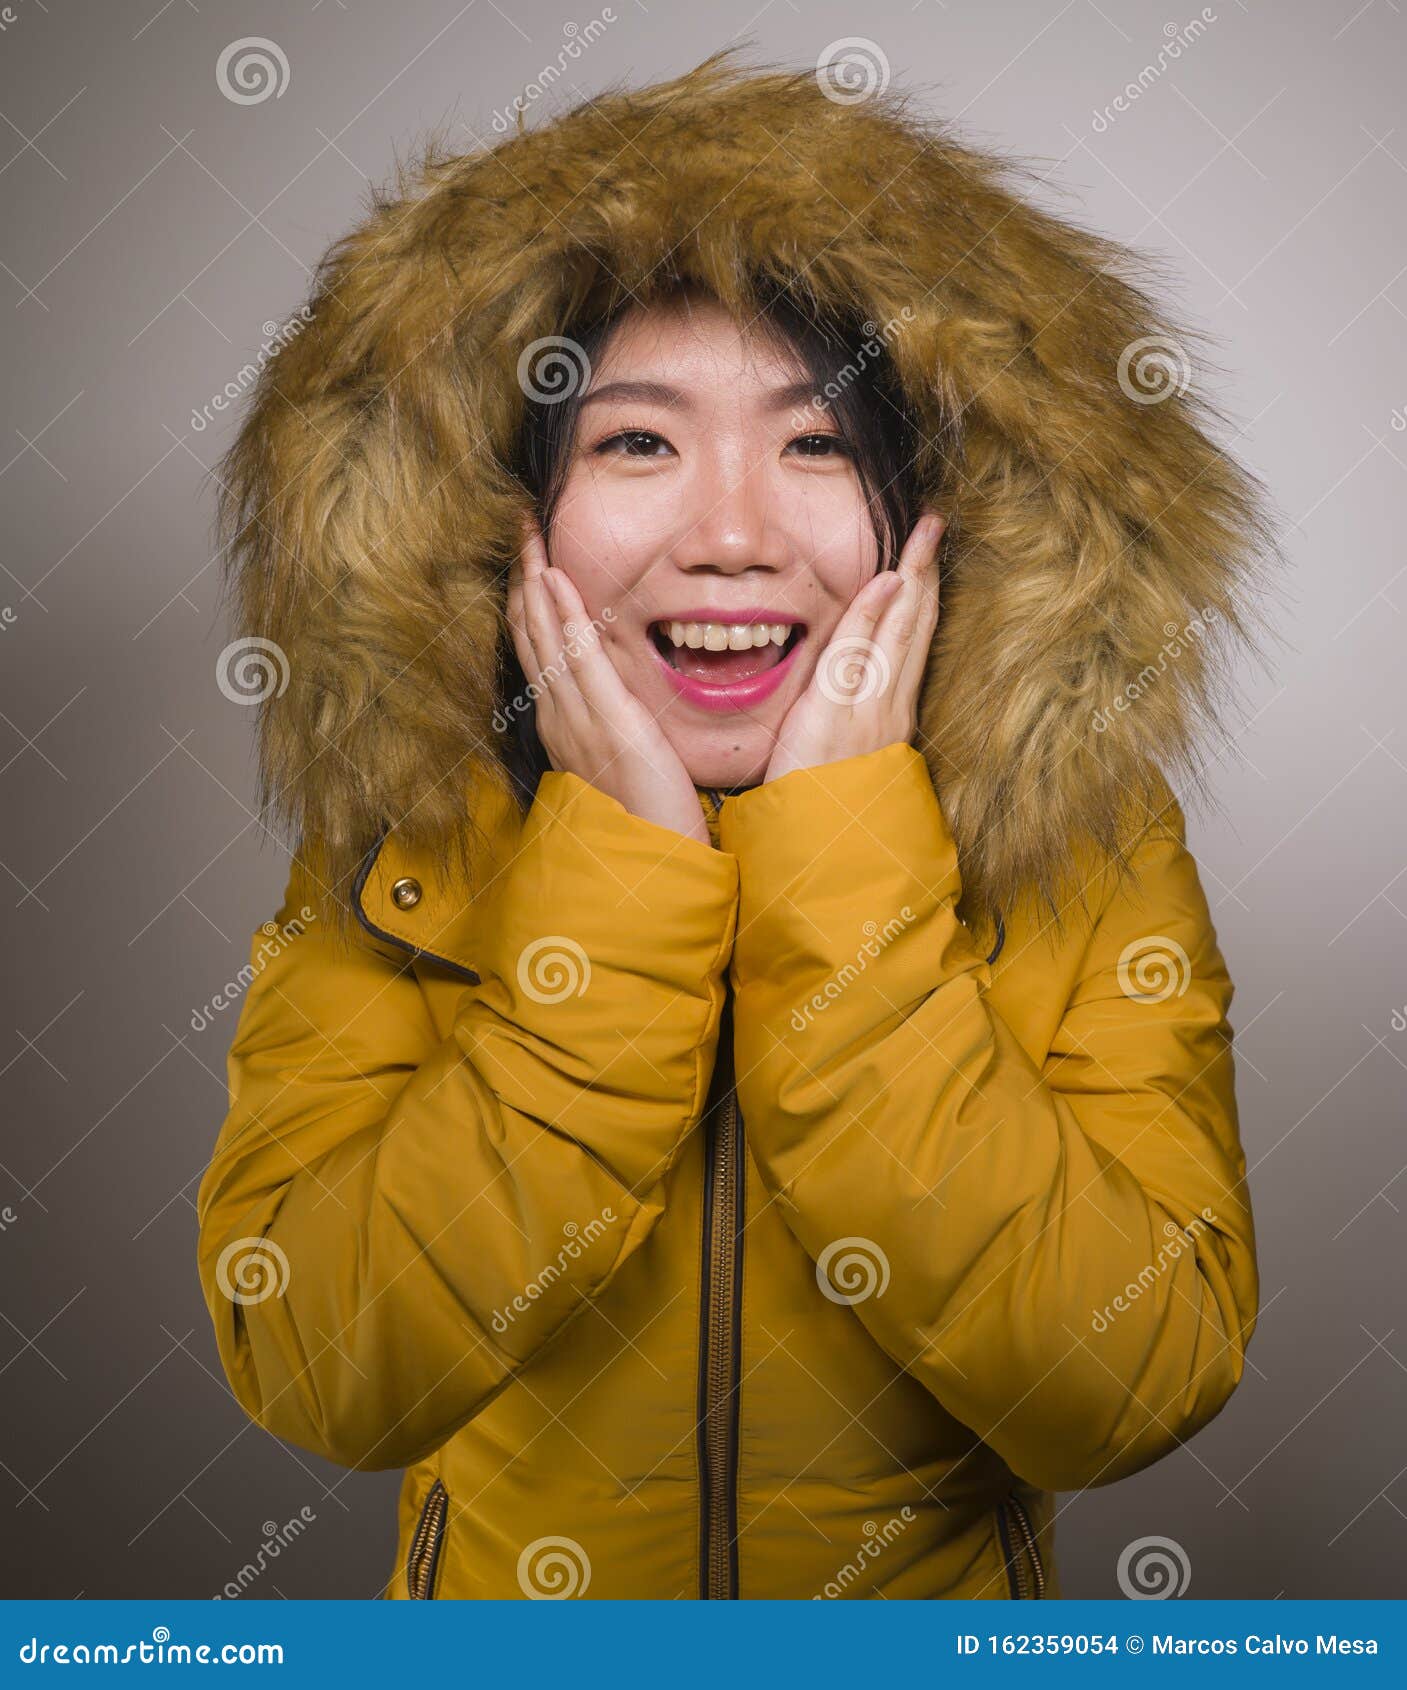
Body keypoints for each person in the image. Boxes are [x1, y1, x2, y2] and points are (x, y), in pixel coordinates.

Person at [195, 48, 1273, 1601]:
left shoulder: (1082, 842)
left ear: (938, 501)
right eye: (637, 441)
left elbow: (1132, 1378)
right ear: (506, 511)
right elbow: (319, 1367)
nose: (730, 535)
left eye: (819, 442)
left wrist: (842, 862)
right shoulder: (411, 843)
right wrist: (615, 905)